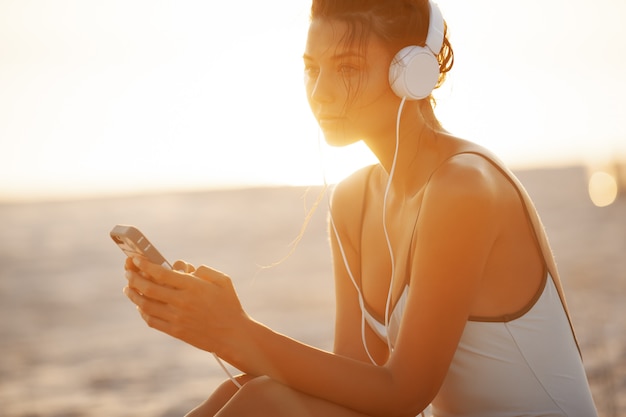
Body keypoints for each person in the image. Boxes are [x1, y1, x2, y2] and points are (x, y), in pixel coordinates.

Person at [123, 0, 598, 416]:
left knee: (263, 405)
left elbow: (404, 394)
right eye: (312, 67)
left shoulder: (464, 188)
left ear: (411, 73)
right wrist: (209, 322)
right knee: (245, 391)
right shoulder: (352, 202)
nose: (321, 91)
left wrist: (234, 332)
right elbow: (354, 384)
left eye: (346, 68)